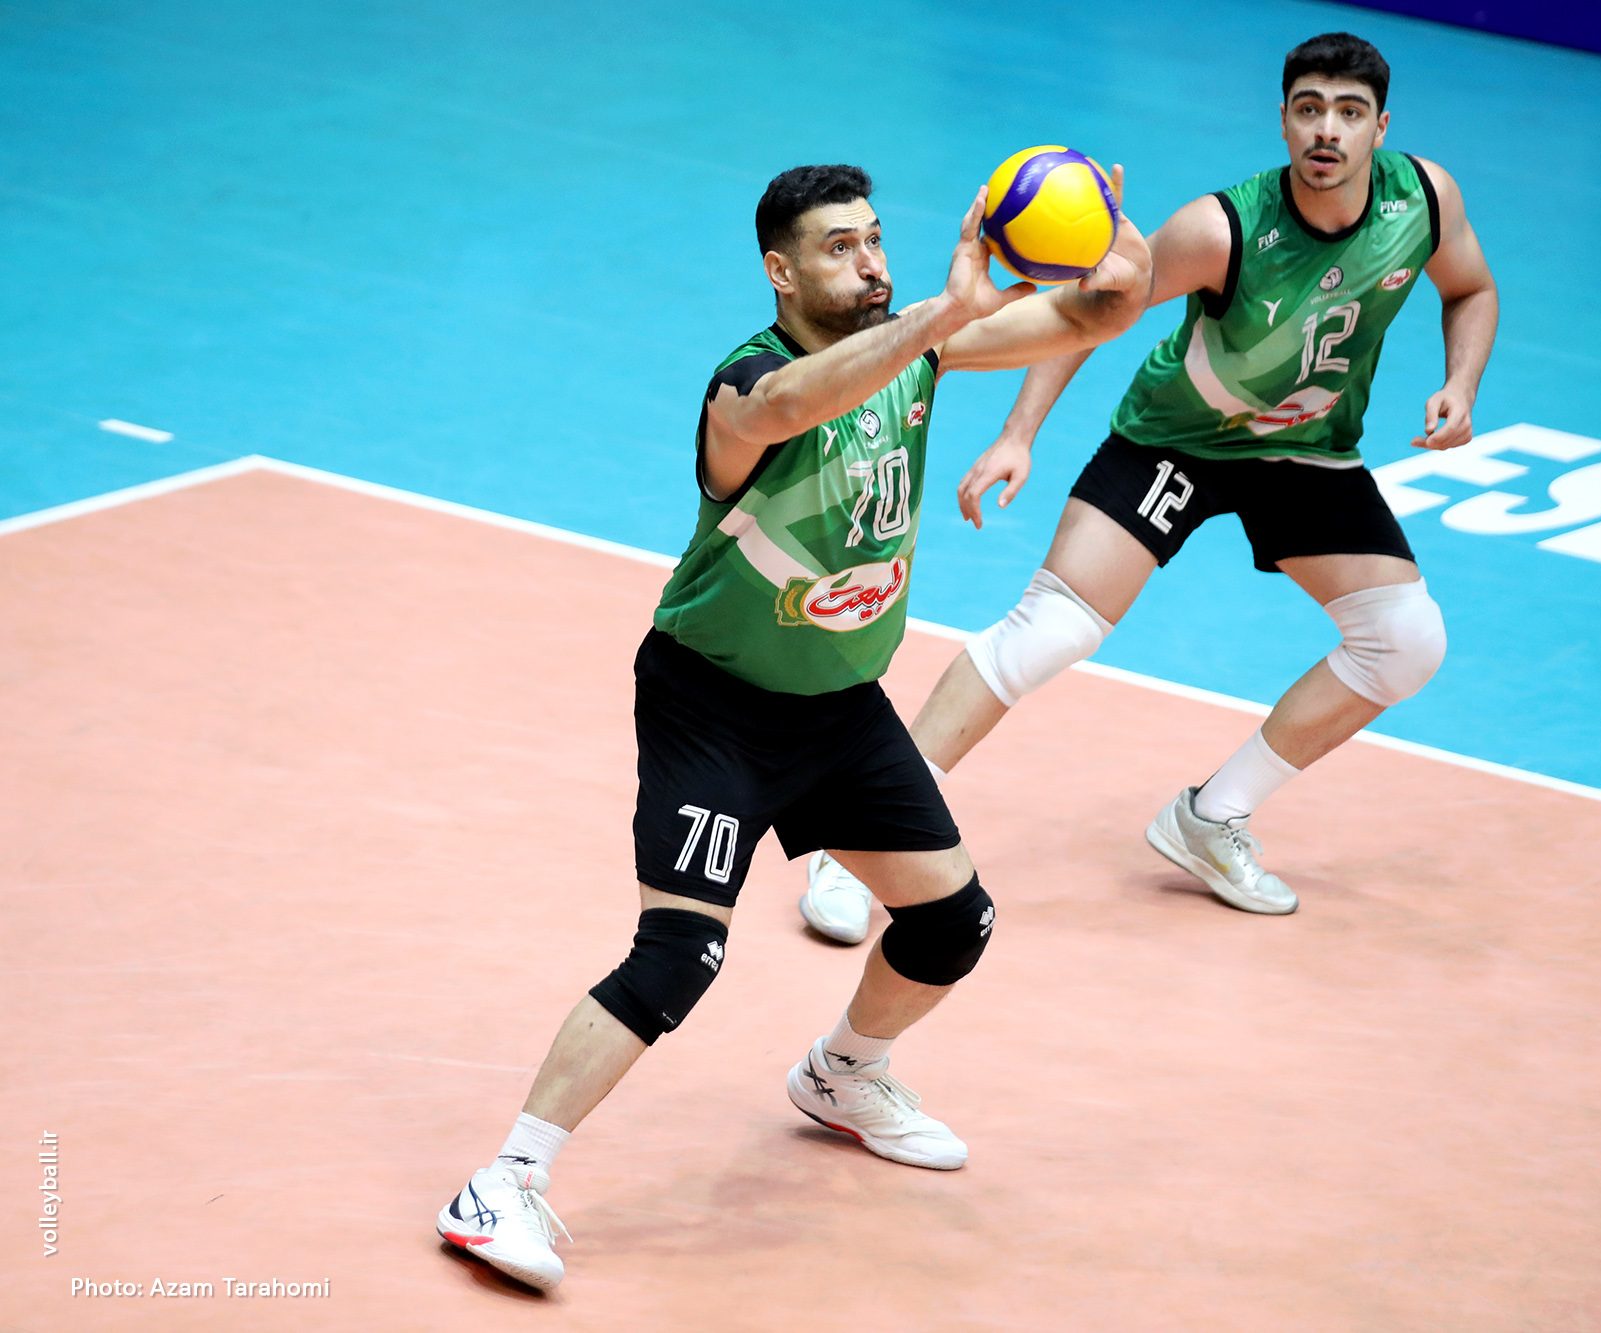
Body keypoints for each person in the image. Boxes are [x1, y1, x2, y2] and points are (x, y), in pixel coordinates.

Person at [436, 163, 1150, 1289]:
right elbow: (788, 408)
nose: (869, 263)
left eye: (875, 240)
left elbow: (1097, 312)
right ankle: (501, 1182)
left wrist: (1114, 245)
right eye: (837, 247)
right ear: (780, 270)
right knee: (679, 954)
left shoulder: (919, 348)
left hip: (840, 709)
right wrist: (943, 316)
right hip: (713, 707)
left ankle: (841, 1073)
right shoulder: (746, 383)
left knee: (951, 923)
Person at [799, 31, 1496, 939]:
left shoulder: (1424, 199)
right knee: (1051, 630)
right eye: (1309, 109)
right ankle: (859, 839)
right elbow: (1095, 309)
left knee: (1406, 641)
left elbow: (1471, 288)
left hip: (1306, 451)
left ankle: (1211, 817)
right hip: (1177, 440)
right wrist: (1018, 433)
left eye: (1349, 112)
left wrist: (1461, 383)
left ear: (1381, 128)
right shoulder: (1221, 229)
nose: (1327, 130)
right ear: (1284, 120)